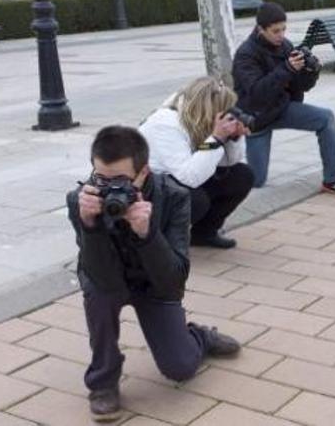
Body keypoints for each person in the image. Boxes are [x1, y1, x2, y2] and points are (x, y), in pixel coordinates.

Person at [67, 126, 240, 422]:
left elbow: (174, 281)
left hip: (155, 285)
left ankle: (198, 336)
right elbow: (100, 275)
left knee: (180, 368)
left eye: (120, 181)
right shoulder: (81, 199)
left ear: (143, 172)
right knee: (98, 293)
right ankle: (103, 382)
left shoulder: (173, 197)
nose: (109, 190)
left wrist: (147, 235)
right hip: (109, 281)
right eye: (101, 179)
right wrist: (90, 225)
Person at [232, 2, 335, 197]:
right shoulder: (245, 54)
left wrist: (311, 71)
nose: (281, 35)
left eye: (284, 29)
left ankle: (333, 180)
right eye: (275, 31)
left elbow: (300, 87)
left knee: (326, 118)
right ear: (260, 29)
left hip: (280, 109)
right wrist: (287, 69)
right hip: (256, 119)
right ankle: (223, 167)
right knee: (256, 180)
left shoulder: (285, 46)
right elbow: (258, 94)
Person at [139, 76, 253, 249]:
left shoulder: (197, 120)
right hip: (148, 189)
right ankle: (160, 242)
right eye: (222, 110)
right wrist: (216, 138)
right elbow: (189, 177)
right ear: (208, 109)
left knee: (242, 176)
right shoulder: (165, 123)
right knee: (193, 199)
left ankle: (203, 234)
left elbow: (229, 163)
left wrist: (233, 137)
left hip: (176, 179)